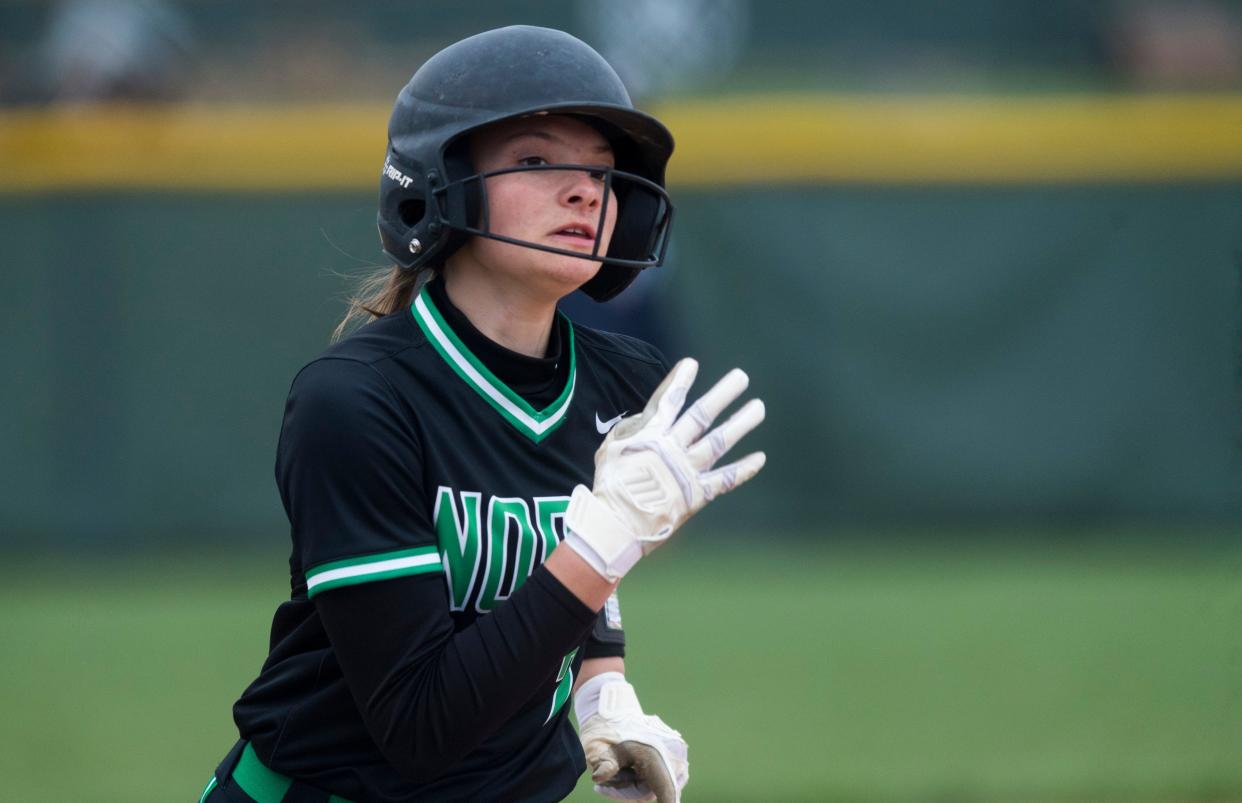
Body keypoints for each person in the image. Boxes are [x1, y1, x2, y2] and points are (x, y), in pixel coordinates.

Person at [200, 25, 765, 803]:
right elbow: (421, 727)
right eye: (537, 161)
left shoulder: (620, 382)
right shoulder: (357, 401)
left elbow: (566, 566)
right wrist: (605, 544)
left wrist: (603, 696)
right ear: (440, 182)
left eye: (602, 173)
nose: (584, 191)